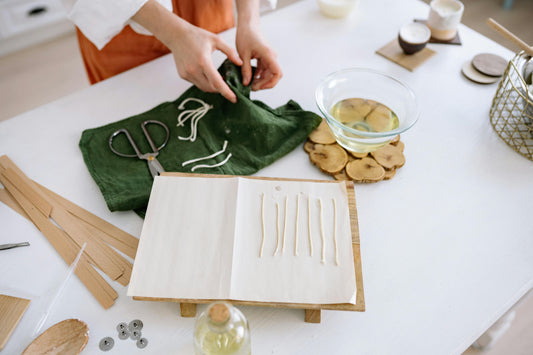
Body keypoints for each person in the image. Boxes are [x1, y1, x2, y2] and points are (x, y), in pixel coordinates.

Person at [62, 0, 282, 103]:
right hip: (126, 20)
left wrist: (249, 22)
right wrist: (174, 33)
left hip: (210, 8)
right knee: (131, 111)